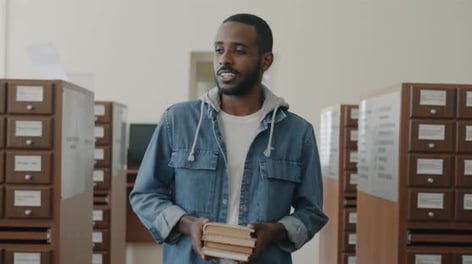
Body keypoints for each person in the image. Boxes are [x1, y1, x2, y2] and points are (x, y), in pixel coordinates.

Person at [129, 13, 328, 264]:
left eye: (239, 51)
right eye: (219, 50)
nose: (225, 59)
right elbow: (145, 195)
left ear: (265, 61)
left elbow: (311, 212)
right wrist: (187, 224)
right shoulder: (177, 120)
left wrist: (275, 231)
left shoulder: (298, 133)